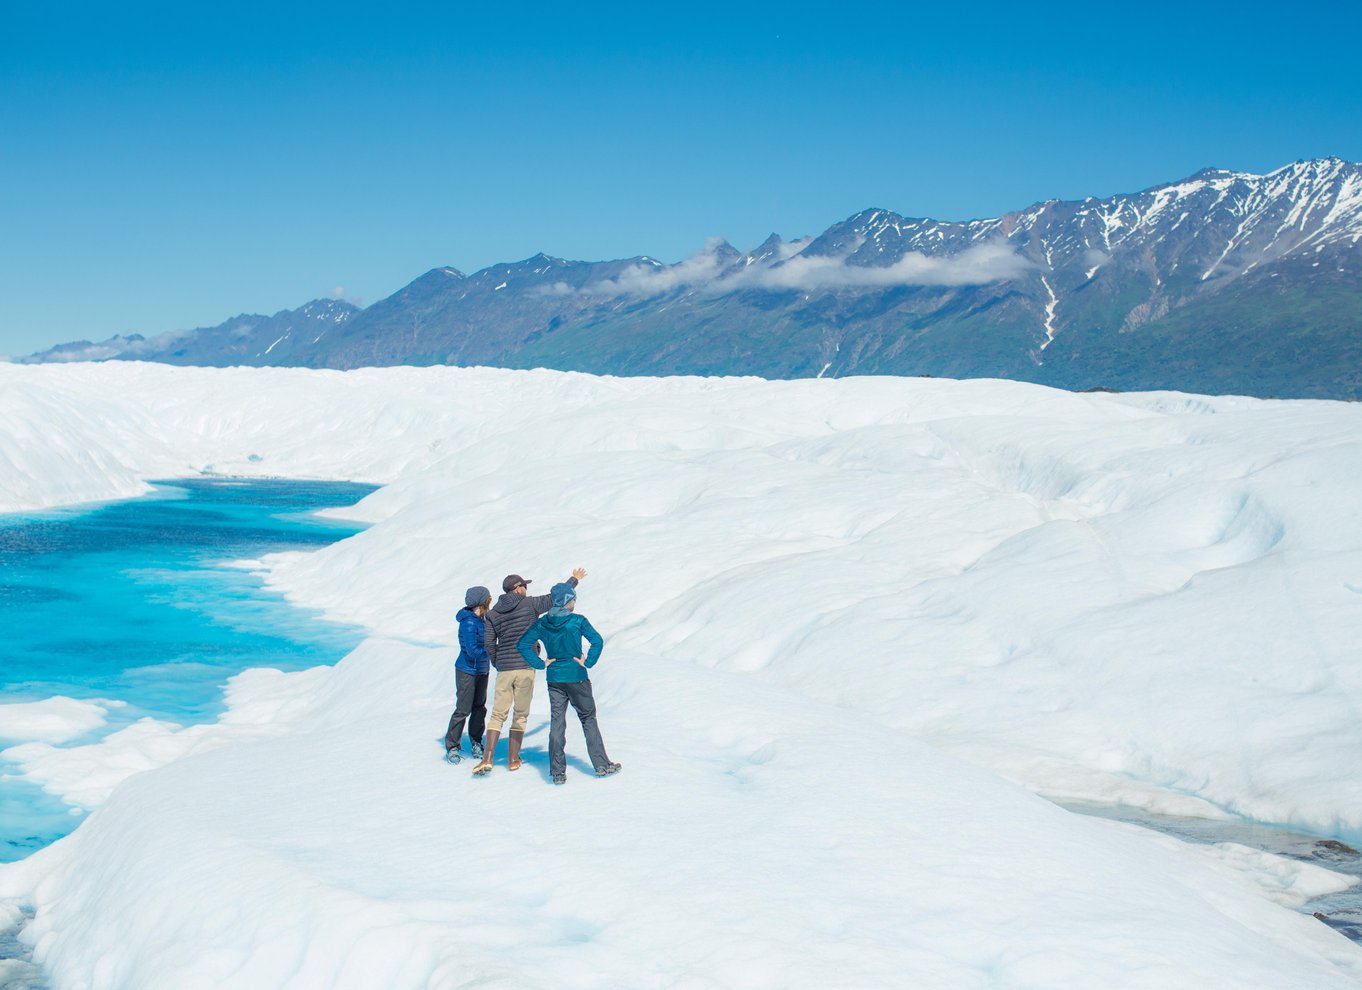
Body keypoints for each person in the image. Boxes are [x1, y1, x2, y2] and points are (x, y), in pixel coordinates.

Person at [472, 567, 587, 775]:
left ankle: (487, 759)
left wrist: (498, 661)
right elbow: (556, 598)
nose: (526, 588)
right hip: (525, 666)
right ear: (517, 589)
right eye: (524, 585)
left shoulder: (493, 613)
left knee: (498, 713)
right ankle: (513, 759)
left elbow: (489, 642)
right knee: (521, 714)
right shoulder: (530, 604)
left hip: (505, 670)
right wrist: (574, 580)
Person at [516, 581, 619, 785]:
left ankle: (557, 772)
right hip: (577, 676)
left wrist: (540, 663)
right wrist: (587, 661)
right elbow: (597, 641)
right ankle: (601, 765)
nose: (574, 602)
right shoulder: (577, 621)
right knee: (588, 718)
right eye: (572, 599)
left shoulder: (542, 623)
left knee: (557, 722)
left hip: (554, 678)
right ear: (566, 602)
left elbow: (523, 644)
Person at [444, 586, 492, 764]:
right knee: (463, 708)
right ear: (482, 601)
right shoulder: (469, 622)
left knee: (479, 706)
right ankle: (452, 745)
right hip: (467, 670)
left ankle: (476, 741)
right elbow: (472, 651)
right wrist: (493, 650)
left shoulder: (483, 619)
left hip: (482, 669)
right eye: (488, 597)